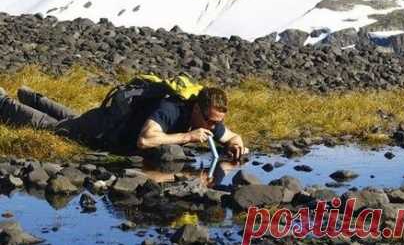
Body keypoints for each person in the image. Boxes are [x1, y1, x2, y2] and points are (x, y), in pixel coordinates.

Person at [0, 85, 247, 160]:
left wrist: (237, 145)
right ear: (196, 108)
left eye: (218, 122)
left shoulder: (209, 122)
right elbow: (146, 139)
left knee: (71, 118)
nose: (214, 127)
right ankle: (3, 101)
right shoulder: (171, 110)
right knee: (55, 128)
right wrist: (187, 137)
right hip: (102, 128)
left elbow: (232, 137)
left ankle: (30, 95)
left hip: (108, 121)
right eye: (210, 120)